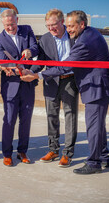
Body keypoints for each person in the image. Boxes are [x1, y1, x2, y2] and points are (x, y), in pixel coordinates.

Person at [21, 10, 109, 174]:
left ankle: (91, 161)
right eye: (48, 26)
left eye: (71, 26)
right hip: (79, 84)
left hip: (90, 85)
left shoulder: (83, 40)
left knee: (91, 125)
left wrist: (37, 75)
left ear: (81, 24)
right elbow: (42, 58)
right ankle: (102, 157)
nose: (69, 29)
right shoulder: (88, 33)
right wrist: (30, 69)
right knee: (96, 125)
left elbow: (67, 65)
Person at [30, 9, 79, 167]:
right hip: (51, 81)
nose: (51, 28)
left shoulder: (74, 36)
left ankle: (68, 153)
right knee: (52, 116)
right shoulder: (44, 39)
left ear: (62, 22)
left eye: (54, 25)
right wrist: (29, 71)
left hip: (70, 81)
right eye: (48, 25)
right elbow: (41, 62)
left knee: (70, 116)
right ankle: (53, 149)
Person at [0, 9, 39, 167]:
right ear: (2, 23)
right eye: (7, 25)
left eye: (12, 24)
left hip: (28, 84)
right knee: (9, 120)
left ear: (17, 20)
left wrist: (30, 51)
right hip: (10, 86)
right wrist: (15, 69)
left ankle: (22, 151)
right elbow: (1, 61)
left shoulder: (27, 30)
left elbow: (36, 48)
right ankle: (7, 153)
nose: (10, 27)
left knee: (26, 120)